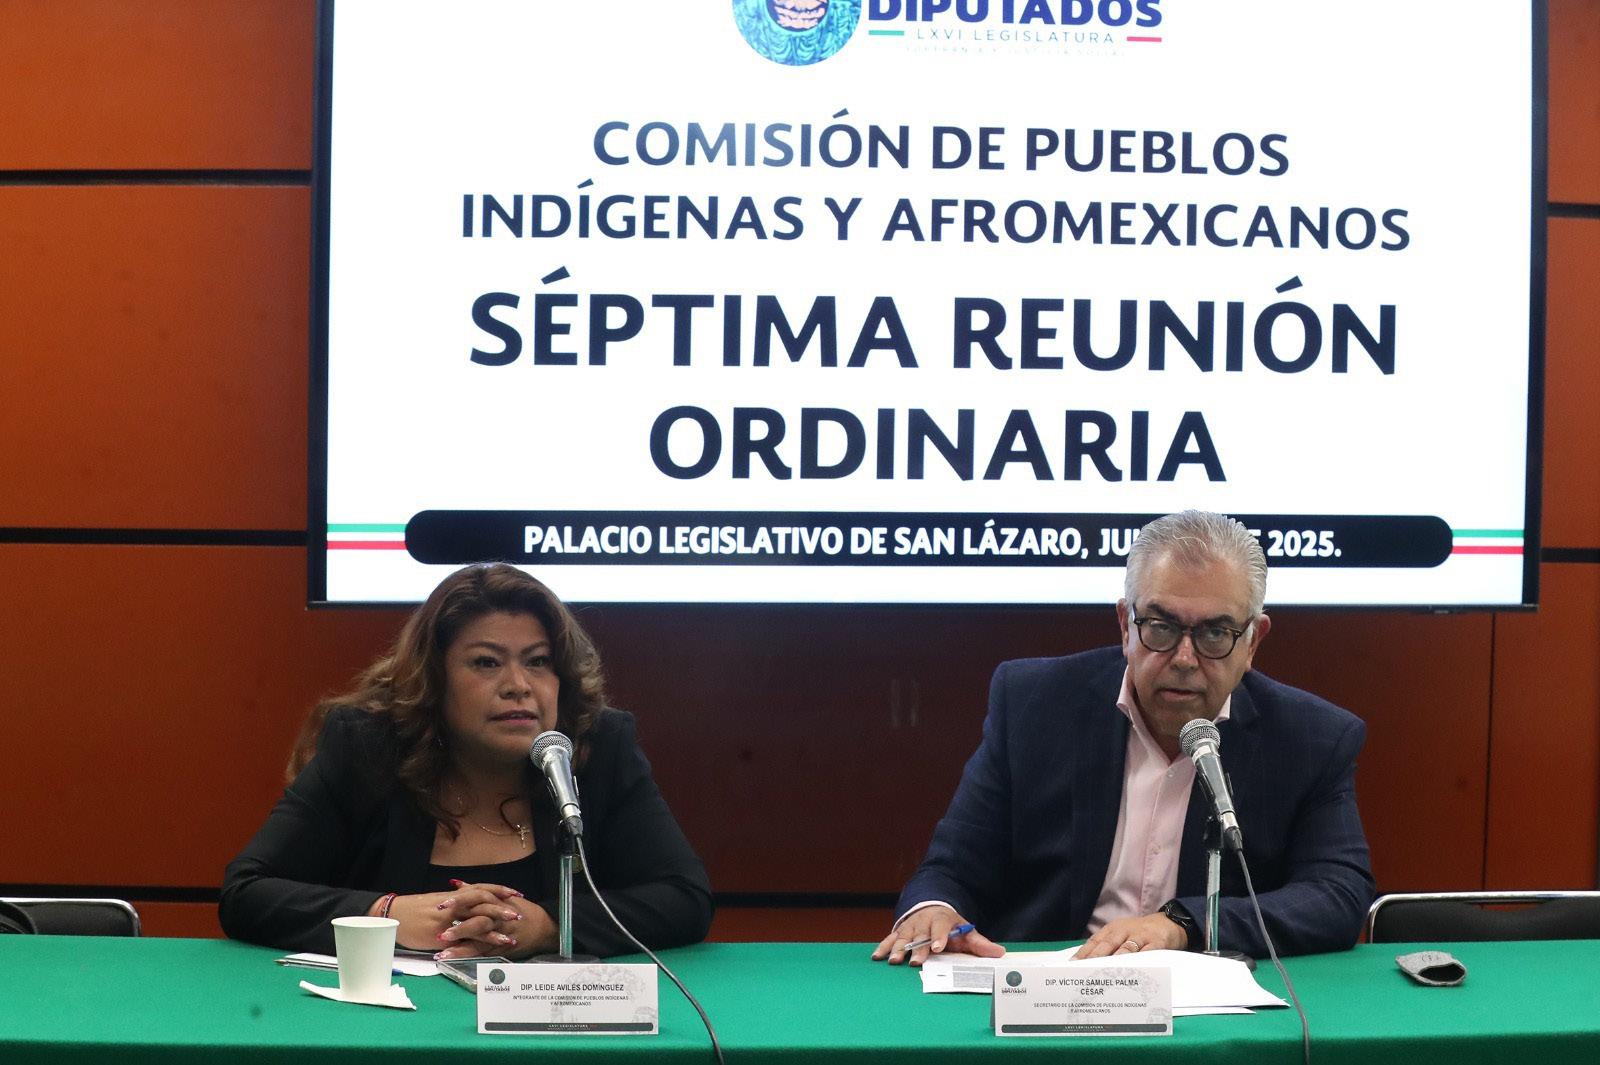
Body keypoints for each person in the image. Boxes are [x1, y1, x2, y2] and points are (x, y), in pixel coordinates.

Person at [872, 510, 1374, 966]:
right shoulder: (1033, 704)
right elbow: (953, 867)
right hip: (1048, 989)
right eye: (1161, 626)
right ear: (1124, 625)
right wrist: (934, 908)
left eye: (1214, 634)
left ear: (1252, 643)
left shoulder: (1312, 739)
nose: (1183, 658)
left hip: (1203, 1001)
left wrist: (1183, 925)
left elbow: (1337, 892)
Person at [221, 563, 713, 959]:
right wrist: (385, 915)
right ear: (434, 680)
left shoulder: (595, 750)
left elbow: (685, 897)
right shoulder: (368, 749)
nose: (518, 685)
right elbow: (247, 892)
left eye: (538, 661)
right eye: (486, 662)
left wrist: (549, 926)